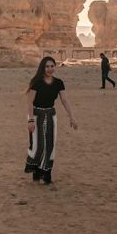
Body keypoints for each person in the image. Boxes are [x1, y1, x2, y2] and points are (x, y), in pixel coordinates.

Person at [22, 56, 78, 185]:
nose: (49, 69)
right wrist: (30, 120)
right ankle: (36, 170)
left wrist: (71, 116)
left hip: (51, 115)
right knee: (38, 145)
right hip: (36, 115)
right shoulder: (36, 81)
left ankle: (46, 174)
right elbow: (29, 102)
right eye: (47, 66)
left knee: (50, 145)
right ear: (43, 67)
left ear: (55, 67)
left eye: (52, 66)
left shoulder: (59, 83)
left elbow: (64, 100)